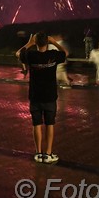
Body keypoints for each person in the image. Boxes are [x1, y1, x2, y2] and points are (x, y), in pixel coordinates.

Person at [15, 31, 67, 164]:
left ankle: (38, 153)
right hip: (50, 96)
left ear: (36, 43)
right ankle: (48, 153)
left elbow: (17, 54)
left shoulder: (31, 55)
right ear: (47, 42)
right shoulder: (53, 55)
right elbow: (65, 53)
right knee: (50, 124)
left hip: (35, 96)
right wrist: (54, 42)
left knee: (36, 124)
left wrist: (30, 43)